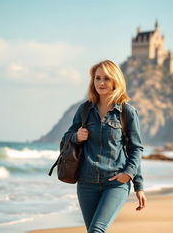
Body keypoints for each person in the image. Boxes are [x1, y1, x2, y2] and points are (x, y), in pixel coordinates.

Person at [62, 60, 146, 233]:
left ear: (115, 80)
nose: (101, 83)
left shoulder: (127, 112)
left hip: (115, 183)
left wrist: (134, 180)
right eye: (97, 78)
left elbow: (135, 149)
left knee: (96, 230)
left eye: (106, 78)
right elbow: (65, 139)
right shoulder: (84, 109)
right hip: (86, 183)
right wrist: (76, 137)